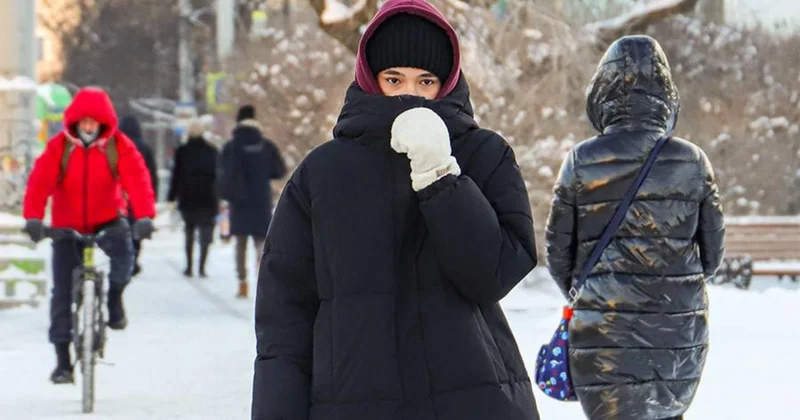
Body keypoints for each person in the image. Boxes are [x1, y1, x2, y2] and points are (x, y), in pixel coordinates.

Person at [252, 1, 539, 419]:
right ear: (371, 79)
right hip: (355, 403)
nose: (410, 94)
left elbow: (493, 274)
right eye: (393, 78)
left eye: (426, 80)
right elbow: (285, 320)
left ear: (447, 82)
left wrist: (442, 178)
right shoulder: (323, 173)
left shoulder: (484, 155)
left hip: (473, 401)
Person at [544, 35, 725, 420]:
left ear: (602, 92)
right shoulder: (692, 161)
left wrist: (594, 292)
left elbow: (558, 255)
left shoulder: (581, 161)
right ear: (666, 95)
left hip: (602, 333)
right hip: (677, 333)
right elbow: (712, 256)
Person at [22, 87, 156, 384]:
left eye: (93, 122)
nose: (88, 127)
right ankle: (62, 362)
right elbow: (40, 181)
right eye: (83, 122)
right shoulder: (60, 148)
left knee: (125, 259)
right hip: (66, 226)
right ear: (74, 122)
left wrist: (144, 216)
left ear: (103, 123)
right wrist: (33, 217)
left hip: (107, 220)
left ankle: (114, 297)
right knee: (62, 294)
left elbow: (137, 179)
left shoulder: (117, 146)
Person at [218, 105, 286, 298]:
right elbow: (279, 170)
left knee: (240, 243)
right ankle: (262, 282)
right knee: (261, 243)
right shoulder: (266, 145)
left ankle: (242, 282)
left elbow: (223, 174)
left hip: (239, 202)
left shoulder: (231, 146)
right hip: (261, 201)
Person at [167, 118, 219, 278]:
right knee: (205, 233)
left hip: (187, 197)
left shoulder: (182, 151)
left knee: (189, 231)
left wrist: (172, 197)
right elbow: (218, 177)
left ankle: (189, 266)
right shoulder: (212, 151)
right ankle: (202, 267)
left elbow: (176, 176)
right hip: (208, 198)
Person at [119, 115, 159, 276]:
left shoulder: (116, 147)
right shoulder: (144, 147)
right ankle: (133, 258)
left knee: (122, 228)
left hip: (121, 196)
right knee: (137, 229)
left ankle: (124, 258)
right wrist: (152, 196)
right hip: (138, 196)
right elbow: (151, 174)